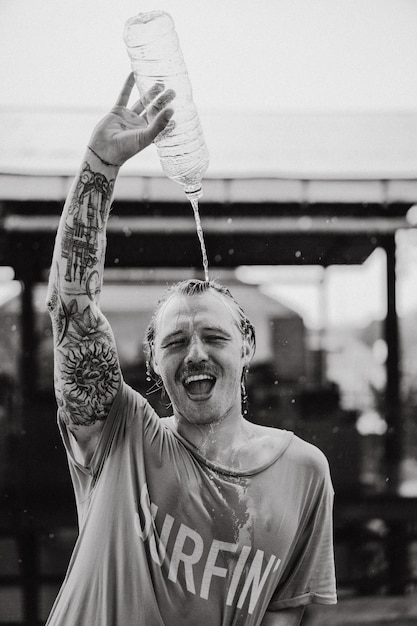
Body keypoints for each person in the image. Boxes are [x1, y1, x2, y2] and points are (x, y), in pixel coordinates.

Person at [45, 73, 337, 626]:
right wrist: (100, 167)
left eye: (215, 337)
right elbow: (71, 310)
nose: (196, 353)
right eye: (175, 341)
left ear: (246, 345)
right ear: (152, 360)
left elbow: (289, 615)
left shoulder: (304, 471)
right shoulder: (121, 436)